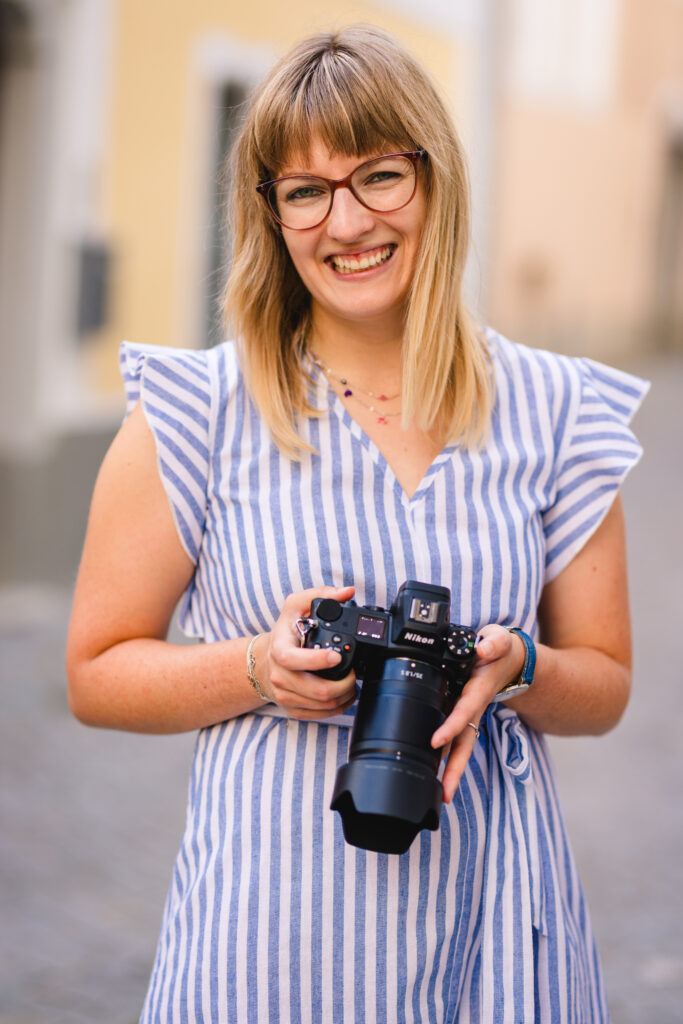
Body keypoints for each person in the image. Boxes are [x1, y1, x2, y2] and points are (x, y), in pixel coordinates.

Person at [66, 24, 648, 1023]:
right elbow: (93, 670)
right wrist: (256, 667)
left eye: (377, 175)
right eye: (303, 190)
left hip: (494, 934)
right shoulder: (195, 409)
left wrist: (516, 666)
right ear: (269, 214)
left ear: (433, 177)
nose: (345, 223)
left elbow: (603, 686)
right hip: (266, 945)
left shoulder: (556, 412)